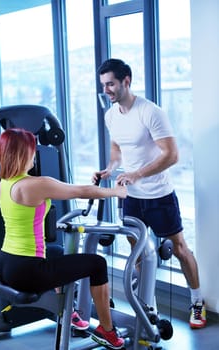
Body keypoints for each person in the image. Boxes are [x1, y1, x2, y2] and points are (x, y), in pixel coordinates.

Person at [93, 58, 206, 329]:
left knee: (179, 248)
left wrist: (138, 174)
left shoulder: (150, 112)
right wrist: (110, 168)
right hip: (131, 198)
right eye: (103, 85)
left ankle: (197, 303)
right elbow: (118, 151)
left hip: (159, 195)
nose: (106, 90)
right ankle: (148, 306)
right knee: (139, 254)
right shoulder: (110, 115)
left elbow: (172, 155)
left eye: (110, 84)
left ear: (126, 81)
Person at [0, 128, 127, 350]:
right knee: (97, 264)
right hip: (27, 270)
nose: (34, 154)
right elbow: (81, 191)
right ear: (22, 154)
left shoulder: (5, 183)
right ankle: (107, 331)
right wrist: (116, 192)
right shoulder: (35, 184)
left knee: (58, 252)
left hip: (5, 264)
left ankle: (70, 312)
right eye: (31, 150)